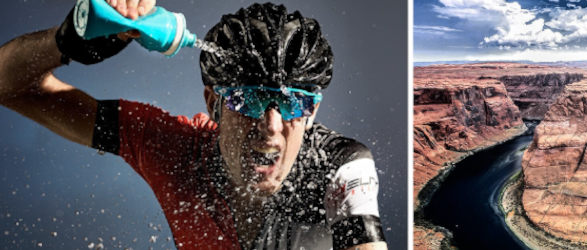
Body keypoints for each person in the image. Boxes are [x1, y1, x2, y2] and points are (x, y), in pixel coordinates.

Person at [0, 1, 386, 249]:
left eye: (292, 103)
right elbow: (9, 86)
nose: (271, 126)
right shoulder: (172, 148)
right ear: (212, 102)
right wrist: (70, 41)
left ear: (313, 111)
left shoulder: (337, 165)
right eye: (248, 99)